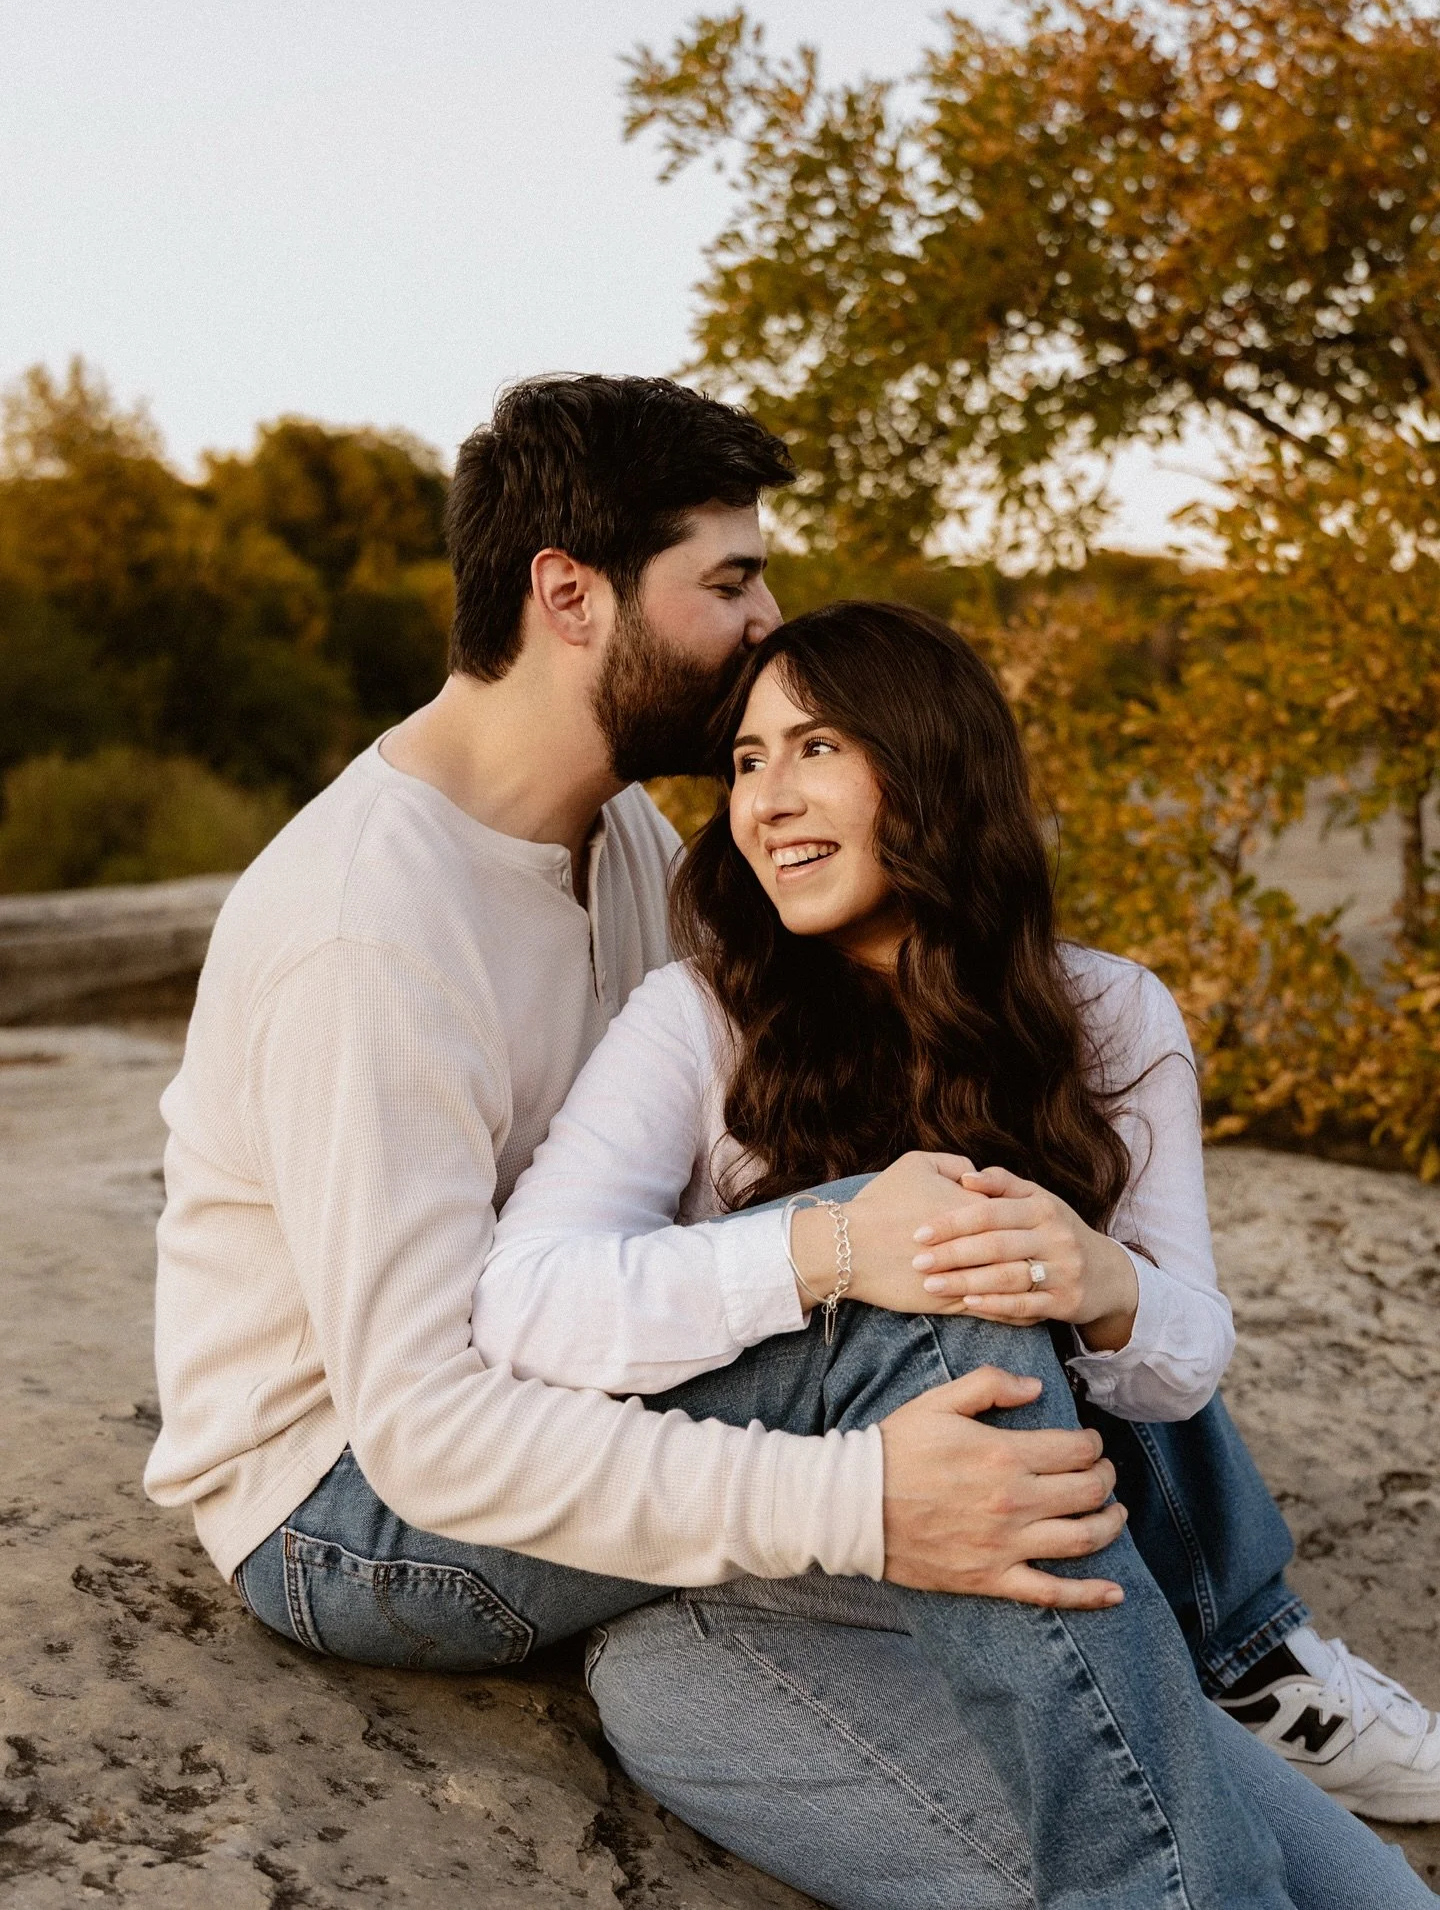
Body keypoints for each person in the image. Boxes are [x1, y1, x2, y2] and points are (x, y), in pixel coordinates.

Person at [139, 377, 1435, 1906]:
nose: (765, 621)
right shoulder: (369, 927)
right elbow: (429, 1428)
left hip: (561, 1378)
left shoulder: (615, 836)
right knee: (920, 1273)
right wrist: (866, 1496)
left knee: (971, 1237)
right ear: (572, 593)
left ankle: (1237, 1675)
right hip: (356, 1506)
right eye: (732, 580)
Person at [469, 599, 1436, 1907]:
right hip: (773, 1587)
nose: (766, 799)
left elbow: (1185, 1362)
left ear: (930, 760)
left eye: (816, 746)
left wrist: (1104, 1284)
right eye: (746, 760)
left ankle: (1251, 1657)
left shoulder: (1108, 1010)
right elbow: (524, 1302)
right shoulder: (699, 1018)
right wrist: (827, 1250)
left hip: (1050, 1610)